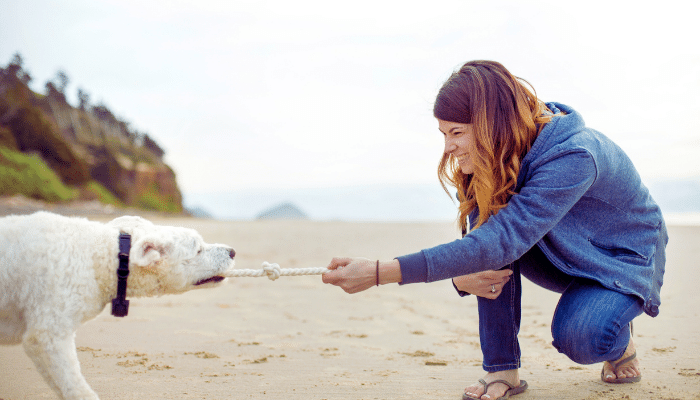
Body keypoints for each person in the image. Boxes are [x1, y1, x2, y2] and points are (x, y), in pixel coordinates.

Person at [322, 60, 667, 400]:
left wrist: (381, 272)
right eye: (444, 134)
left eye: (457, 133)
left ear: (493, 125)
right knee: (488, 247)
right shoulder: (489, 161)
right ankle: (503, 370)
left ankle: (619, 338)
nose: (448, 148)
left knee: (583, 337)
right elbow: (484, 247)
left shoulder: (574, 154)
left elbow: (498, 242)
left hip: (622, 258)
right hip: (560, 250)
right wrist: (462, 278)